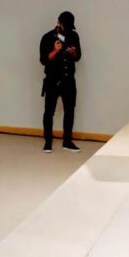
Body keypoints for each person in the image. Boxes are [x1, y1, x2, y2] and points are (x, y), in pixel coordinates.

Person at [39, 11, 82, 153]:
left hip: (69, 80)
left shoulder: (74, 36)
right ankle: (48, 142)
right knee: (49, 111)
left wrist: (73, 53)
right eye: (65, 26)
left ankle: (67, 141)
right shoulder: (47, 37)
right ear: (58, 23)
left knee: (69, 110)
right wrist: (54, 51)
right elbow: (43, 60)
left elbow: (78, 57)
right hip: (52, 80)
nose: (67, 29)